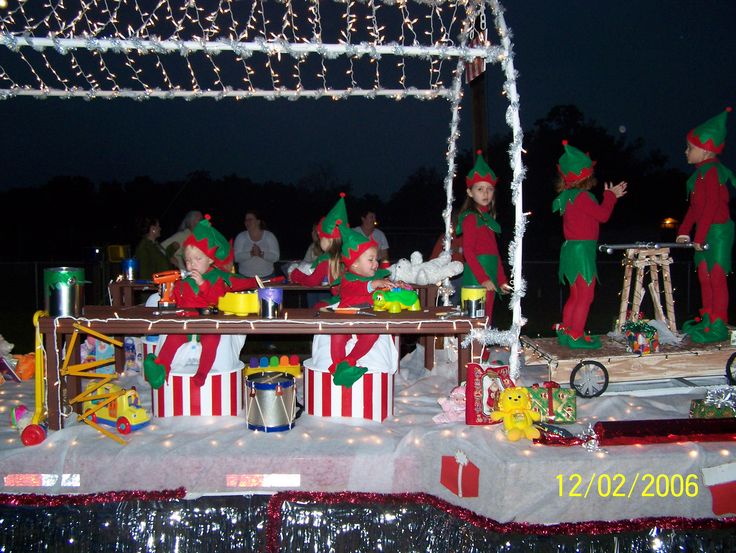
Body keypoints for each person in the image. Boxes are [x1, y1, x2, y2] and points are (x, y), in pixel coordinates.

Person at [143, 215, 258, 389]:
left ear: (210, 260)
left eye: (197, 259)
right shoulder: (184, 280)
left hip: (207, 323)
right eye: (188, 260)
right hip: (186, 324)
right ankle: (161, 368)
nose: (191, 265)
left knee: (212, 342)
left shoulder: (216, 278)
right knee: (172, 339)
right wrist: (171, 293)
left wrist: (203, 285)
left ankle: (202, 373)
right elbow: (179, 300)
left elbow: (215, 299)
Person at [308, 225, 411, 388]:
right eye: (370, 260)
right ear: (354, 264)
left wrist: (395, 285)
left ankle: (350, 361)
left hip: (367, 320)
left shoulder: (377, 277)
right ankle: (337, 365)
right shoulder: (348, 279)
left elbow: (383, 290)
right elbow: (355, 289)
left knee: (372, 335)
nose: (375, 263)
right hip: (346, 318)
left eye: (376, 259)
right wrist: (372, 285)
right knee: (337, 336)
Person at [552, 140, 627, 349]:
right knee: (586, 295)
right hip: (582, 252)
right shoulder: (584, 197)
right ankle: (576, 334)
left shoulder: (567, 197)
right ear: (587, 174)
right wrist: (611, 197)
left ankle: (567, 331)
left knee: (575, 295)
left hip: (569, 250)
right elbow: (603, 216)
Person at [676, 107, 735, 343]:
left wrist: (699, 236)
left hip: (718, 232)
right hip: (705, 232)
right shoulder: (698, 176)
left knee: (717, 276)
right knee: (704, 276)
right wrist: (683, 231)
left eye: (690, 147)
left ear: (706, 149)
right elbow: (695, 208)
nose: (686, 151)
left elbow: (711, 206)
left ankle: (718, 324)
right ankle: (708, 320)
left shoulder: (712, 173)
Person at [455, 150, 512, 323]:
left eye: (489, 189)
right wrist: (483, 278)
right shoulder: (471, 217)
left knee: (487, 317)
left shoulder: (488, 220)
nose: (485, 193)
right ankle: (473, 350)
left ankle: (482, 350)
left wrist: (501, 279)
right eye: (480, 189)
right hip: (476, 275)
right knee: (475, 319)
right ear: (470, 192)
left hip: (491, 273)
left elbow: (495, 253)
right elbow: (469, 252)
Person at [289, 193, 347, 307]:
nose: (320, 241)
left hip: (342, 301)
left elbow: (311, 281)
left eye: (321, 238)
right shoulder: (349, 255)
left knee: (316, 308)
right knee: (322, 304)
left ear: (328, 240)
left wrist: (294, 274)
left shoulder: (325, 260)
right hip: (352, 300)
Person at [233, 210, 280, 278]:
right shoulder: (241, 237)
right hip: (245, 277)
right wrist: (251, 253)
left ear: (258, 221)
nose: (247, 222)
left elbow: (276, 257)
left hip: (267, 276)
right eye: (246, 220)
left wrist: (261, 254)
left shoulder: (269, 236)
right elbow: (235, 258)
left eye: (250, 219)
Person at [430, 210, 464, 305]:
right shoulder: (445, 236)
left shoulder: (462, 234)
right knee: (448, 300)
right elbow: (434, 256)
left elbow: (470, 252)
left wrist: (459, 249)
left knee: (457, 300)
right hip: (447, 275)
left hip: (461, 273)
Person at [134, 216, 172, 280]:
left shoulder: (156, 244)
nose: (160, 228)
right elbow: (144, 274)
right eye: (158, 226)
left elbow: (163, 258)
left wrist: (172, 248)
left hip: (165, 284)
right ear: (153, 229)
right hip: (155, 287)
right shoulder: (144, 248)